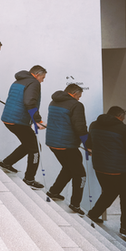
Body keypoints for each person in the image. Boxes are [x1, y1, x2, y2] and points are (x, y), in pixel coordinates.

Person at [86, 106, 126, 240]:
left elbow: (89, 144)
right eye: (123, 117)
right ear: (120, 116)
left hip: (99, 168)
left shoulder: (94, 125)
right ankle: (125, 228)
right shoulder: (125, 130)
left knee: (109, 192)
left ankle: (93, 214)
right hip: (118, 171)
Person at [0, 65, 47, 190]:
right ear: (36, 75)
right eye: (42, 77)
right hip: (18, 120)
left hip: (9, 118)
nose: (43, 80)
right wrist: (37, 120)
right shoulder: (34, 83)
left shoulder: (18, 81)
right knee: (35, 147)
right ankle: (29, 178)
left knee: (28, 144)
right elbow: (29, 101)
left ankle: (7, 163)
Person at [45, 84, 89, 215]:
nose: (79, 99)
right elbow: (80, 127)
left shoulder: (54, 101)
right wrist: (88, 145)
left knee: (68, 168)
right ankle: (75, 204)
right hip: (67, 144)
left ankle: (54, 192)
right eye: (79, 96)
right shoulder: (76, 105)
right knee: (80, 175)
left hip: (53, 143)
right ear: (74, 94)